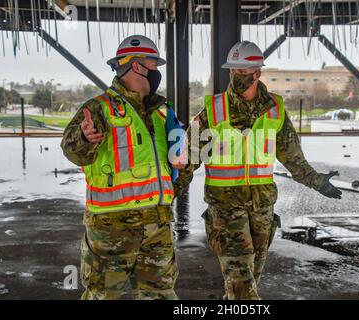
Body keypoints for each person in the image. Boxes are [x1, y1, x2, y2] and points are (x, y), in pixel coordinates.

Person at [174, 41, 342, 300]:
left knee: (249, 279)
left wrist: (318, 182)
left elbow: (293, 158)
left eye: (243, 71)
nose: (237, 76)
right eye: (233, 71)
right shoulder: (213, 111)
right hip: (226, 211)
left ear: (257, 73)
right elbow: (189, 160)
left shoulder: (275, 110)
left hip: (262, 210)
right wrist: (166, 194)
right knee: (242, 286)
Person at [61, 35, 178, 300]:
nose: (157, 71)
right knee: (102, 296)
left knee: (159, 295)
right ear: (137, 66)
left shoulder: (161, 112)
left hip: (157, 225)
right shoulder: (99, 108)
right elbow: (72, 151)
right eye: (153, 64)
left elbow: (173, 165)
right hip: (111, 229)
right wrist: (84, 137)